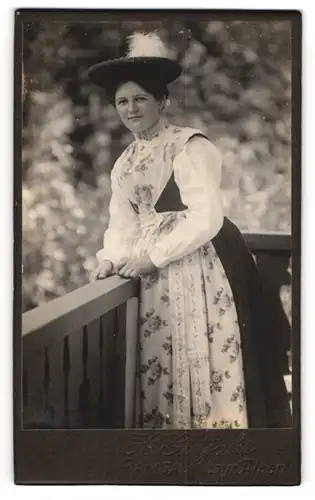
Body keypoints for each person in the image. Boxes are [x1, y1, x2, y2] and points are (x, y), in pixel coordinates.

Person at [88, 32, 291, 429]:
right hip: (153, 274)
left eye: (141, 99)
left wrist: (156, 256)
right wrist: (110, 257)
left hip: (201, 262)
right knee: (164, 358)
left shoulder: (188, 146)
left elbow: (206, 217)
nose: (132, 109)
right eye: (123, 102)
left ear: (161, 101)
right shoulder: (125, 162)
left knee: (209, 353)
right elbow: (123, 222)